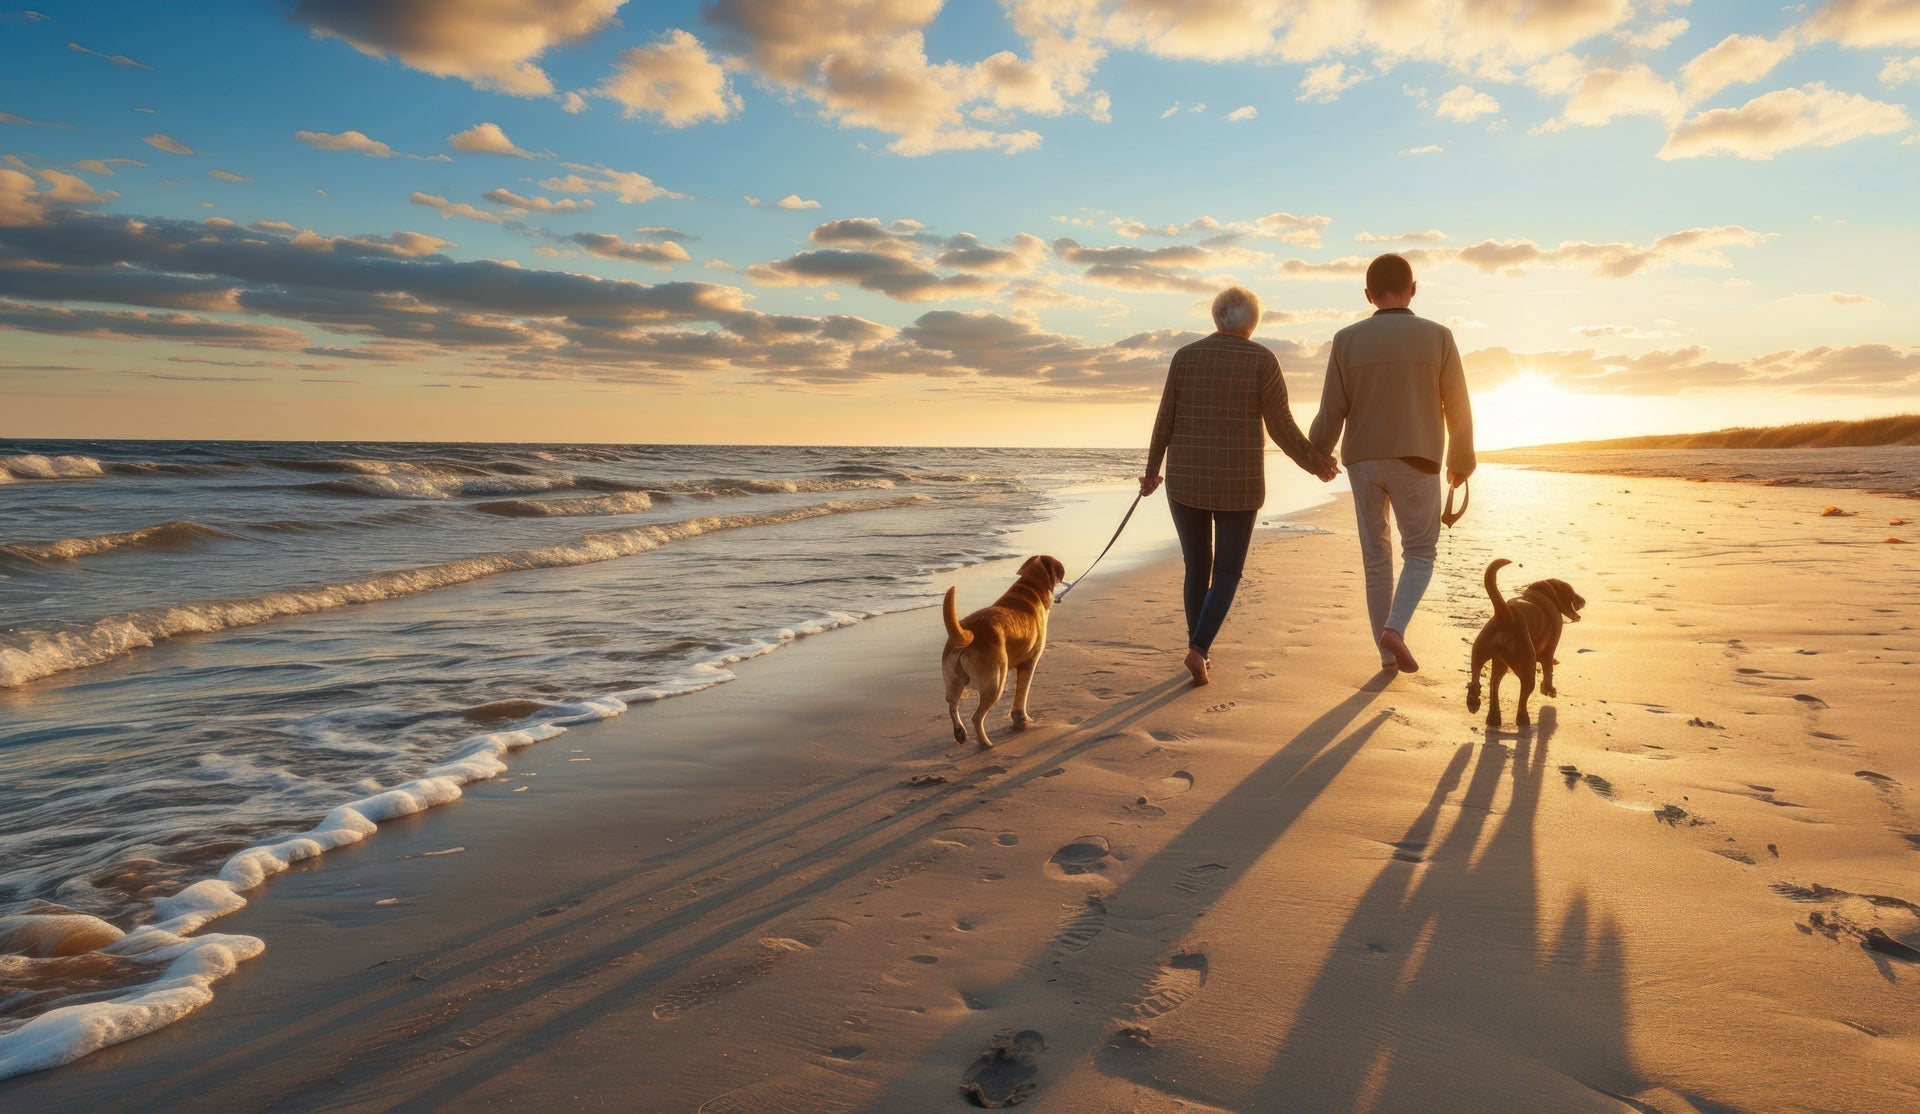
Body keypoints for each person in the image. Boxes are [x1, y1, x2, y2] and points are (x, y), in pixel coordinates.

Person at [1142, 286, 1338, 686]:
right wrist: (1316, 463)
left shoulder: (1185, 357)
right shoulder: (1262, 359)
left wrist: (1151, 472)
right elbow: (1281, 426)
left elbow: (1165, 418)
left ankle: (1199, 648)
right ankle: (1199, 649)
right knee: (1227, 570)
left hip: (1186, 481)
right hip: (1240, 484)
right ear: (1252, 322)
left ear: (1217, 316)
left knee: (1196, 566)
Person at [1308, 253, 1474, 674]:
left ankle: (1385, 655)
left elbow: (1332, 408)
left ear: (1368, 295)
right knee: (1420, 552)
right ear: (1413, 288)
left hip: (1362, 460)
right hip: (1418, 458)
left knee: (1376, 557)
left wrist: (1317, 454)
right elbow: (1457, 404)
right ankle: (1395, 630)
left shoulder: (1346, 339)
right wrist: (1461, 460)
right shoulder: (1439, 336)